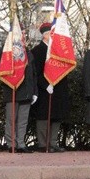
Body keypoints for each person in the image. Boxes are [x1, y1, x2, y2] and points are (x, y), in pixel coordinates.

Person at [31, 22, 71, 152]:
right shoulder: (37, 51)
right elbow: (36, 71)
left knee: (56, 116)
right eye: (50, 34)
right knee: (43, 116)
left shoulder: (58, 50)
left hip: (58, 87)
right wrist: (45, 85)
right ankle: (43, 143)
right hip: (44, 88)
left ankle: (53, 142)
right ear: (45, 35)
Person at [0, 42, 38, 153]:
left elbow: (33, 73)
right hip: (12, 90)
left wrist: (35, 92)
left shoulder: (27, 52)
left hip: (27, 91)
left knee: (23, 121)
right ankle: (11, 144)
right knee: (11, 119)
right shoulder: (5, 51)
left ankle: (21, 144)